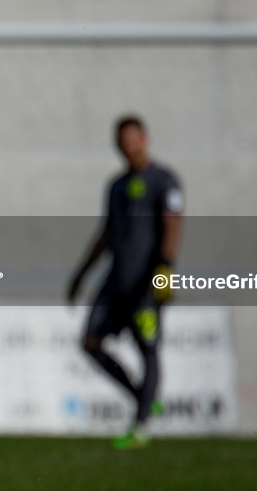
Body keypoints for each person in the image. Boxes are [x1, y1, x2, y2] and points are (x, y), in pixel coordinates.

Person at [67, 115, 184, 450]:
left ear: (145, 139)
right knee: (90, 342)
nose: (128, 145)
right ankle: (142, 399)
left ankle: (141, 425)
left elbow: (173, 224)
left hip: (147, 280)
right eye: (122, 140)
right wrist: (81, 274)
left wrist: (165, 269)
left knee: (147, 346)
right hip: (116, 280)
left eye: (133, 138)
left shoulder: (164, 181)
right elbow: (106, 233)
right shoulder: (116, 186)